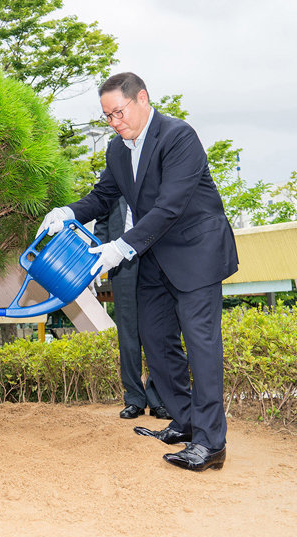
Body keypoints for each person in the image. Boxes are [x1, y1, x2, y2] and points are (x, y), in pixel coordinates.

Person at [37, 72, 237, 472]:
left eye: (118, 112)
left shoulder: (178, 137)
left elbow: (170, 206)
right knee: (155, 340)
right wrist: (66, 212)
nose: (114, 122)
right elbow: (103, 197)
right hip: (154, 257)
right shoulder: (117, 150)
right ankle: (186, 422)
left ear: (142, 98)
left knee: (201, 346)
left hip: (196, 253)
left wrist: (118, 247)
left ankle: (212, 444)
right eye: (107, 116)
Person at [94, 198, 171, 421]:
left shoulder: (156, 171)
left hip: (155, 256)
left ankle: (159, 399)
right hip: (121, 263)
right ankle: (134, 399)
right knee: (127, 334)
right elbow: (101, 223)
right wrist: (99, 259)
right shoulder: (114, 176)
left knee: (158, 332)